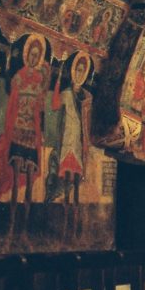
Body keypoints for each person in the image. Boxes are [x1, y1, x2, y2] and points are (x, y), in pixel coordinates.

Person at [0, 34, 49, 241]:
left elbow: (41, 107)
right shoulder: (18, 77)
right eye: (31, 55)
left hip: (32, 136)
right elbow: (10, 99)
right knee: (15, 179)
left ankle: (24, 229)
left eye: (36, 55)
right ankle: (12, 226)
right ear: (26, 56)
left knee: (30, 181)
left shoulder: (41, 81)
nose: (33, 58)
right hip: (17, 132)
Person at [51, 52, 92, 239]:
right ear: (73, 71)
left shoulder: (87, 98)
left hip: (79, 144)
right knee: (66, 182)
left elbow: (89, 123)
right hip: (67, 142)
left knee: (76, 187)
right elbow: (54, 106)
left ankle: (73, 226)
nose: (80, 73)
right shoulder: (66, 94)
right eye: (78, 69)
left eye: (83, 70)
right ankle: (62, 225)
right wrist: (58, 82)